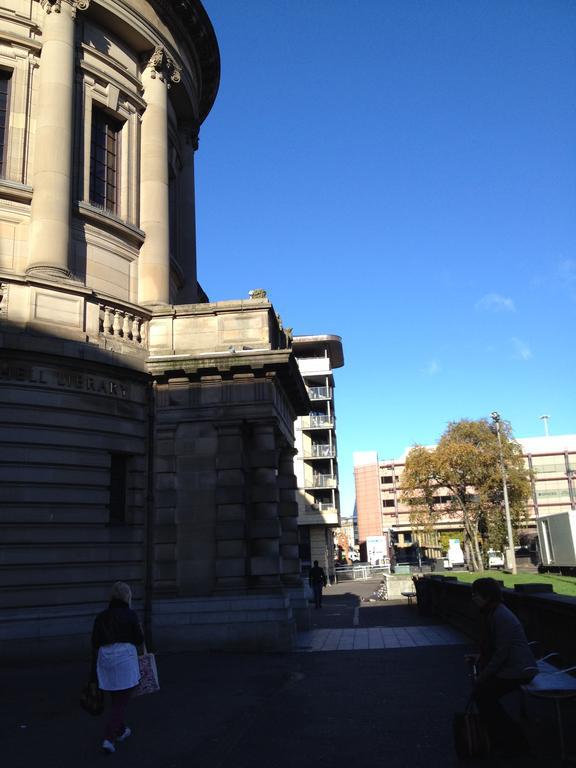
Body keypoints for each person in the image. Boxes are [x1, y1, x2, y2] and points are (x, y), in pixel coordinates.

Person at [469, 577, 537, 758]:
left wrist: (484, 674)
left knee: (484, 695)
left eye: (476, 594)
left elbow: (501, 653)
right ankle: (503, 738)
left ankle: (513, 739)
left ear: (487, 596)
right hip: (513, 667)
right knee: (483, 695)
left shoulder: (499, 616)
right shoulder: (495, 613)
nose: (473, 598)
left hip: (518, 671)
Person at [91, 581, 144, 754]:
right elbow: (138, 639)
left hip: (106, 658)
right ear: (127, 596)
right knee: (121, 701)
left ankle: (121, 730)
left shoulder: (101, 616)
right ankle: (109, 737)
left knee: (116, 697)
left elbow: (95, 642)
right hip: (124, 658)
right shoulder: (130, 615)